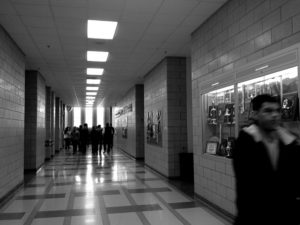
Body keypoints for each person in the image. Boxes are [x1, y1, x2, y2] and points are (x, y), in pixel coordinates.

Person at [233, 94, 300, 225]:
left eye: (277, 110)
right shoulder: (246, 141)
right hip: (254, 216)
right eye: (268, 111)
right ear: (255, 114)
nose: (275, 115)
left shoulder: (287, 141)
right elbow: (249, 183)